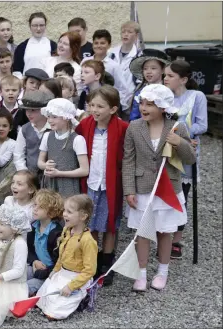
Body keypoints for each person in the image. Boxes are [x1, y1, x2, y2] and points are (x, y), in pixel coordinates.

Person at [123, 84, 196, 291]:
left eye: (151, 105)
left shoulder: (176, 127)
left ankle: (162, 272)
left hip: (168, 188)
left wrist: (179, 142)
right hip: (142, 188)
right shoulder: (134, 127)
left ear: (163, 107)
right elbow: (128, 160)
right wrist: (129, 189)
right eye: (143, 103)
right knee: (142, 233)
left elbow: (189, 158)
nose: (144, 108)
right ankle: (141, 273)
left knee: (165, 232)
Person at [75, 85, 129, 286]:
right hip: (90, 181)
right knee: (92, 223)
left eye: (100, 106)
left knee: (109, 224)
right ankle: (92, 261)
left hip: (110, 183)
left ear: (113, 109)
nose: (95, 110)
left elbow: (127, 155)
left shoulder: (123, 127)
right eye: (92, 105)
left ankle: (107, 262)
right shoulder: (85, 125)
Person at [164, 60, 208, 258]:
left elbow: (202, 125)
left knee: (181, 195)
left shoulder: (196, 96)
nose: (165, 79)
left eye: (170, 76)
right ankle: (163, 234)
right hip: (164, 150)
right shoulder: (164, 96)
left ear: (183, 79)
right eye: (165, 75)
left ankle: (176, 239)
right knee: (165, 192)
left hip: (185, 150)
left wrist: (182, 133)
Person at [36, 194, 97, 320]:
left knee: (55, 311)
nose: (64, 214)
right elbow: (62, 254)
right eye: (64, 210)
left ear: (83, 216)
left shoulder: (88, 241)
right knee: (42, 298)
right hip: (63, 272)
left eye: (69, 212)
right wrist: (55, 270)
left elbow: (89, 270)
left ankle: (83, 296)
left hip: (77, 277)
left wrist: (71, 286)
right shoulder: (67, 230)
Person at [38, 98, 89, 197]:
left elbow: (84, 170)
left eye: (54, 117)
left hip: (68, 187)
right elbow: (40, 162)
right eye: (48, 116)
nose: (50, 120)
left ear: (66, 117)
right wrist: (45, 165)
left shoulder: (77, 139)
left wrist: (59, 173)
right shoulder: (47, 136)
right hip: (50, 185)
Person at [26, 189, 64, 295]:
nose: (35, 209)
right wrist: (34, 261)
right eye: (35, 205)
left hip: (51, 272)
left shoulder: (56, 234)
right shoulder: (33, 227)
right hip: (36, 266)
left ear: (51, 213)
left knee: (26, 287)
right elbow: (30, 249)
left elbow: (61, 261)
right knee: (18, 274)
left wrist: (46, 272)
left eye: (41, 207)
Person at [12, 90, 54, 175]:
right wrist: (24, 172)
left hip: (51, 174)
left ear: (44, 110)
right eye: (27, 110)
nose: (29, 114)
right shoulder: (24, 129)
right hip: (30, 175)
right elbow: (18, 154)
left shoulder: (54, 128)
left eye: (33, 110)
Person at [108, 21, 142, 115]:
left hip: (129, 101)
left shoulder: (139, 56)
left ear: (136, 35)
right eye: (123, 32)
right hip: (110, 98)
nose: (125, 34)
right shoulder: (110, 53)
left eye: (129, 32)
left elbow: (139, 82)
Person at [128, 49, 170, 121]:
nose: (149, 72)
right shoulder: (139, 92)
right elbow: (134, 117)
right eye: (145, 69)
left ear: (163, 70)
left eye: (153, 68)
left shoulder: (169, 91)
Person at [0, 110, 16, 200]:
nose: (0, 128)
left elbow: (1, 162)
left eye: (4, 126)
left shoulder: (12, 144)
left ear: (10, 128)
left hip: (2, 180)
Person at [0, 75, 25, 139]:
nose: (10, 93)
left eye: (14, 90)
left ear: (19, 92)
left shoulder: (24, 111)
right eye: (7, 90)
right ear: (0, 92)